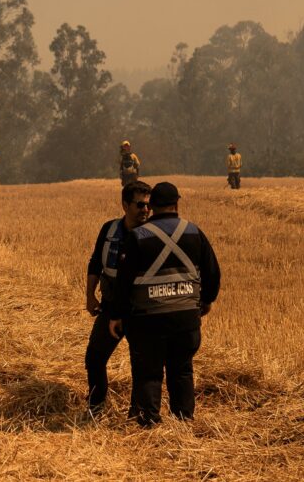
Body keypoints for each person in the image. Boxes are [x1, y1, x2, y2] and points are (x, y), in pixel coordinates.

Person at [107, 182, 220, 427]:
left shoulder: (138, 236)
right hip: (186, 319)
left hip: (148, 320)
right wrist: (207, 301)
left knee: (148, 374)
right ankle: (184, 423)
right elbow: (212, 272)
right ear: (177, 204)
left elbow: (124, 282)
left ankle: (148, 424)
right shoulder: (193, 231)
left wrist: (116, 315)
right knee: (182, 371)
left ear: (152, 207)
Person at [84, 180, 151, 414]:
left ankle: (138, 413)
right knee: (94, 357)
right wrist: (90, 296)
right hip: (111, 306)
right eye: (140, 205)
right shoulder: (109, 229)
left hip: (141, 309)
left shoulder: (152, 234)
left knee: (141, 365)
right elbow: (95, 262)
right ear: (125, 205)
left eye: (148, 206)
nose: (145, 210)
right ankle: (96, 407)